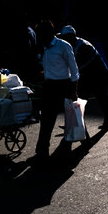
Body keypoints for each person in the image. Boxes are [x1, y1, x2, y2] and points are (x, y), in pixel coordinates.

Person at [33, 19, 80, 159]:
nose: (39, 37)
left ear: (49, 34)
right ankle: (42, 151)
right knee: (47, 119)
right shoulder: (43, 47)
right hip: (49, 87)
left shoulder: (63, 46)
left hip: (63, 85)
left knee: (71, 117)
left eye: (41, 34)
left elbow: (74, 70)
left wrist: (74, 91)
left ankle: (79, 141)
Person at [59, 25, 108, 128]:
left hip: (97, 74)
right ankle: (75, 122)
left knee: (100, 98)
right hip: (88, 74)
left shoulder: (82, 46)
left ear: (70, 36)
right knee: (82, 99)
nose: (64, 40)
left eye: (65, 37)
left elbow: (79, 65)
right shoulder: (72, 45)